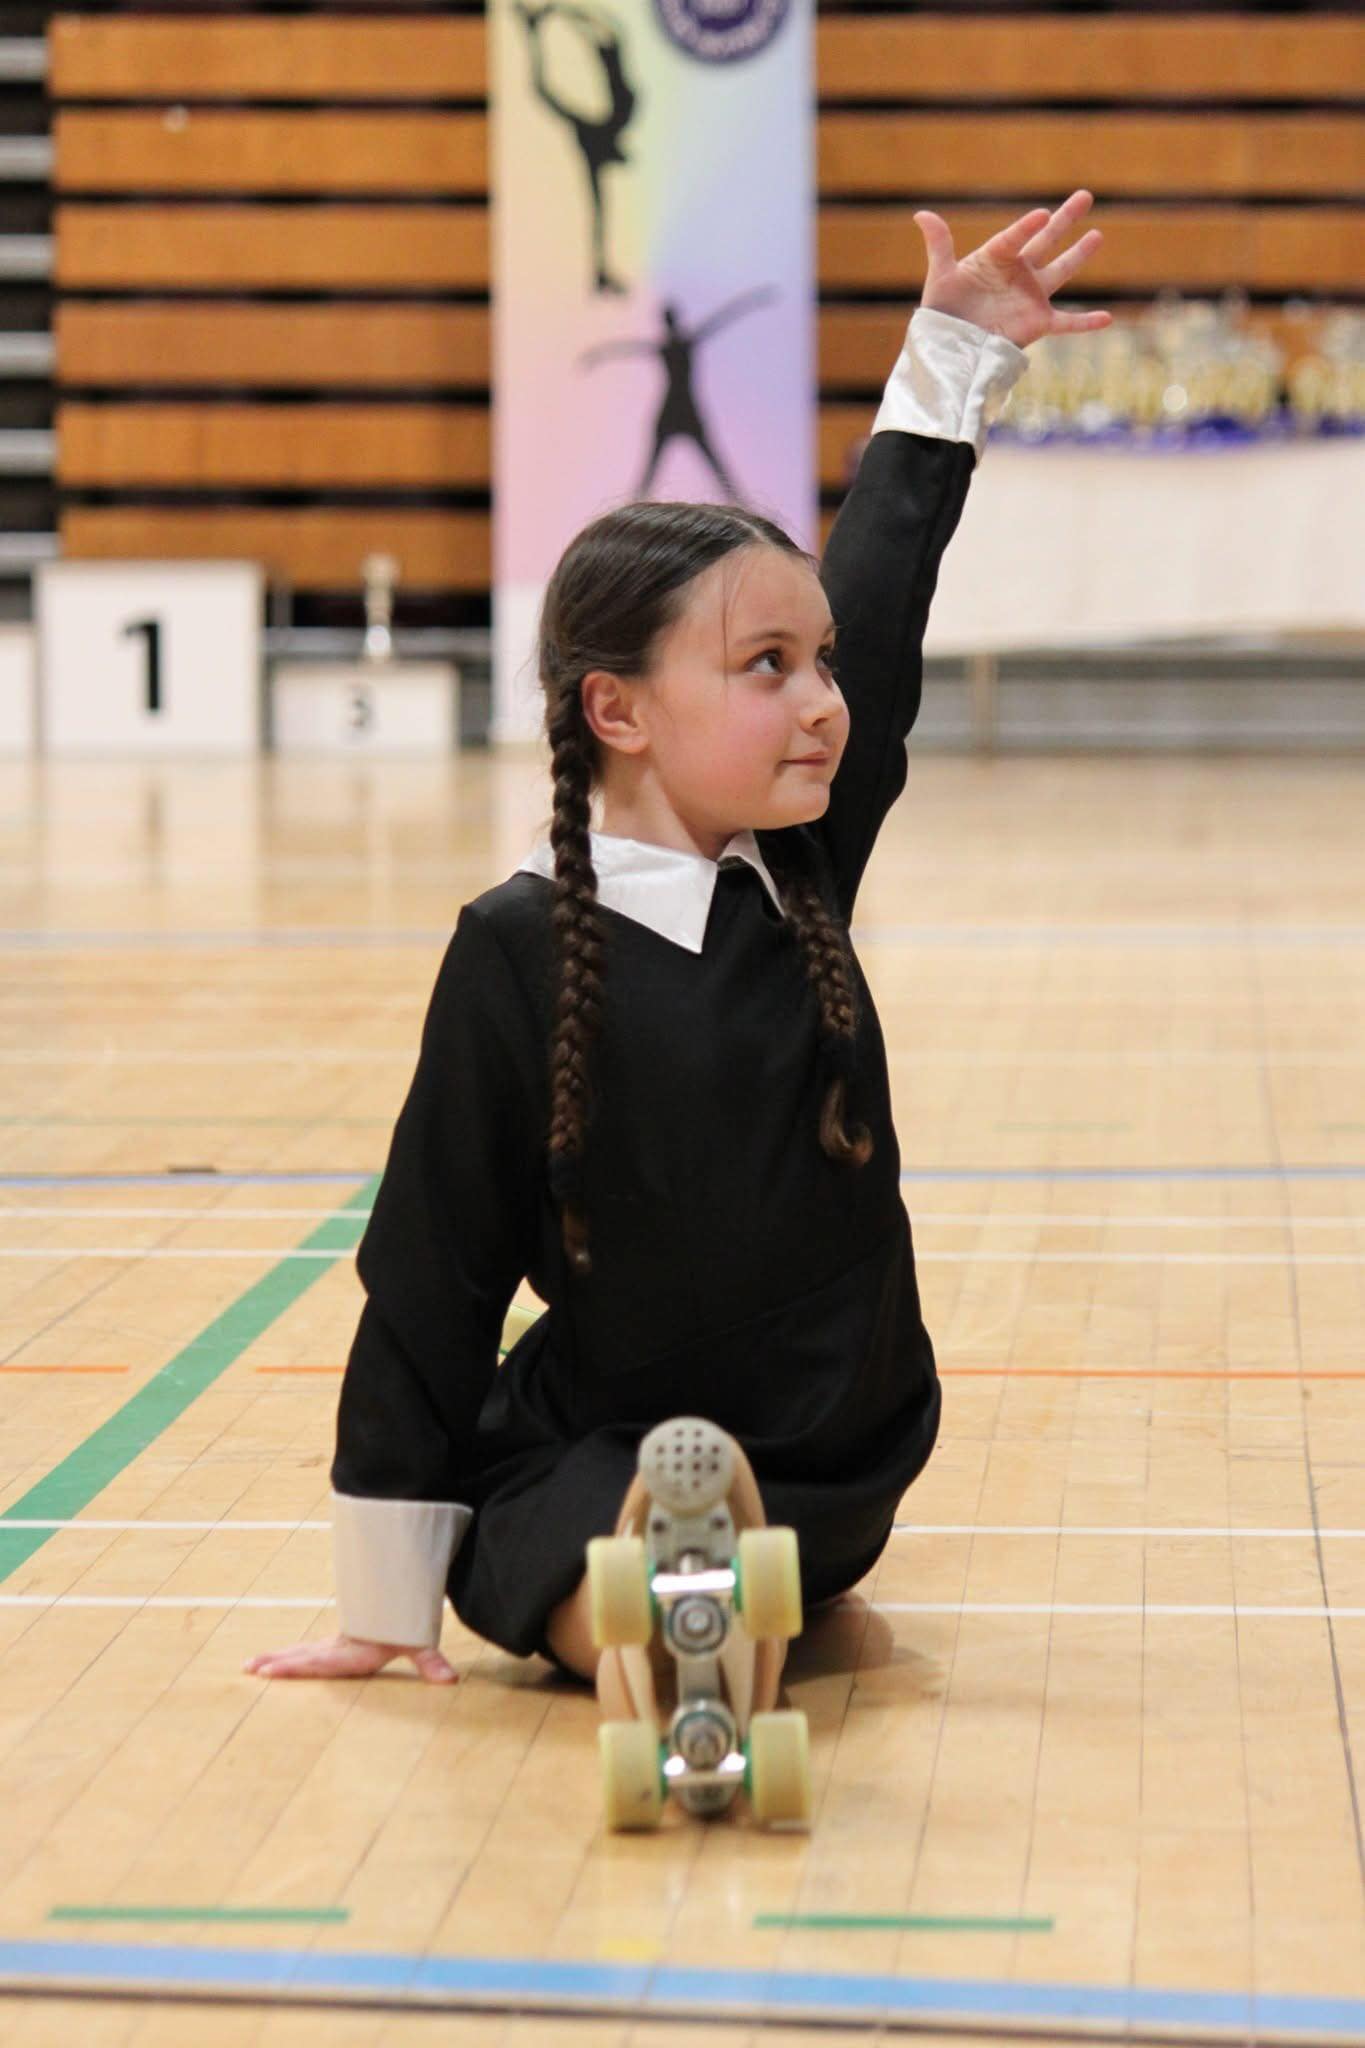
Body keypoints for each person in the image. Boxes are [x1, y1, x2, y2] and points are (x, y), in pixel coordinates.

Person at [247, 193, 1110, 1695]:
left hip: (809, 1456)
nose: (824, 701)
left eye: (821, 663)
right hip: (696, 1453)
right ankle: (703, 1632)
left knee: (539, 1535)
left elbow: (885, 586)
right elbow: (436, 1269)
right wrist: (383, 1598)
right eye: (769, 666)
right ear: (617, 709)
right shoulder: (521, 949)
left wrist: (950, 360)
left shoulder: (801, 870)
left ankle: (671, 1608)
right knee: (552, 1505)